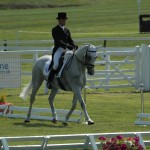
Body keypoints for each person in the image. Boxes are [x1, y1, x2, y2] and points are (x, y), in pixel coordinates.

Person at [47, 12, 78, 88]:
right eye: (62, 20)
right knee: (56, 65)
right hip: (58, 49)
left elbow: (70, 40)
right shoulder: (55, 29)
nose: (64, 21)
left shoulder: (67, 30)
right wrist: (68, 46)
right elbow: (58, 41)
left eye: (65, 20)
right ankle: (49, 82)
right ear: (59, 21)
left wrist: (74, 45)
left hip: (67, 50)